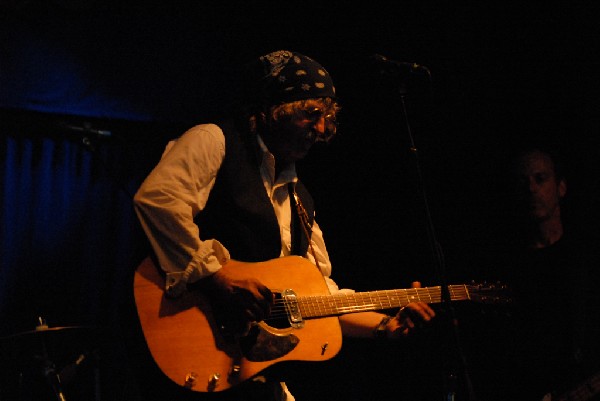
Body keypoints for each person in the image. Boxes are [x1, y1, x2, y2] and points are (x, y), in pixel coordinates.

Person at [132, 50, 436, 401]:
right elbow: (158, 202)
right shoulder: (214, 140)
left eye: (327, 118)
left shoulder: (299, 199)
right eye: (311, 115)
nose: (321, 130)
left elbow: (318, 300)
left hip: (250, 373)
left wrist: (385, 326)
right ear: (274, 110)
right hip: (190, 345)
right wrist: (216, 278)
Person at [465, 145, 600, 400]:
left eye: (540, 179)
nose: (531, 189)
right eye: (522, 181)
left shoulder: (587, 255)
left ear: (561, 187)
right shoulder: (502, 270)